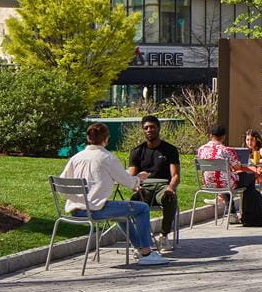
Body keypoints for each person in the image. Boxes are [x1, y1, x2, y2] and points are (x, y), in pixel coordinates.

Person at [60, 122, 169, 266]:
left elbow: (62, 184)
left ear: (88, 138)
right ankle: (147, 252)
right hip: (95, 210)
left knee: (122, 216)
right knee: (142, 208)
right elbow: (129, 182)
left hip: (75, 209)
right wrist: (139, 179)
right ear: (106, 139)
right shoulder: (107, 157)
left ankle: (139, 248)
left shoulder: (76, 158)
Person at [127, 114, 181, 248]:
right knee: (134, 200)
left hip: (163, 185)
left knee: (169, 198)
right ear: (143, 130)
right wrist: (136, 187)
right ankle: (142, 240)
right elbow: (131, 177)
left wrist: (171, 188)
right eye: (146, 128)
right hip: (145, 187)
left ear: (158, 129)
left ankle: (164, 235)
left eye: (152, 127)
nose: (149, 130)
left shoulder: (170, 150)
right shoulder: (137, 151)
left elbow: (175, 175)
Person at [196, 124, 242, 224]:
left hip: (208, 184)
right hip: (225, 183)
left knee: (224, 180)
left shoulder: (201, 150)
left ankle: (231, 211)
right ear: (223, 136)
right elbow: (237, 167)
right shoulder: (226, 150)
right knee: (244, 179)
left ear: (210, 135)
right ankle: (240, 213)